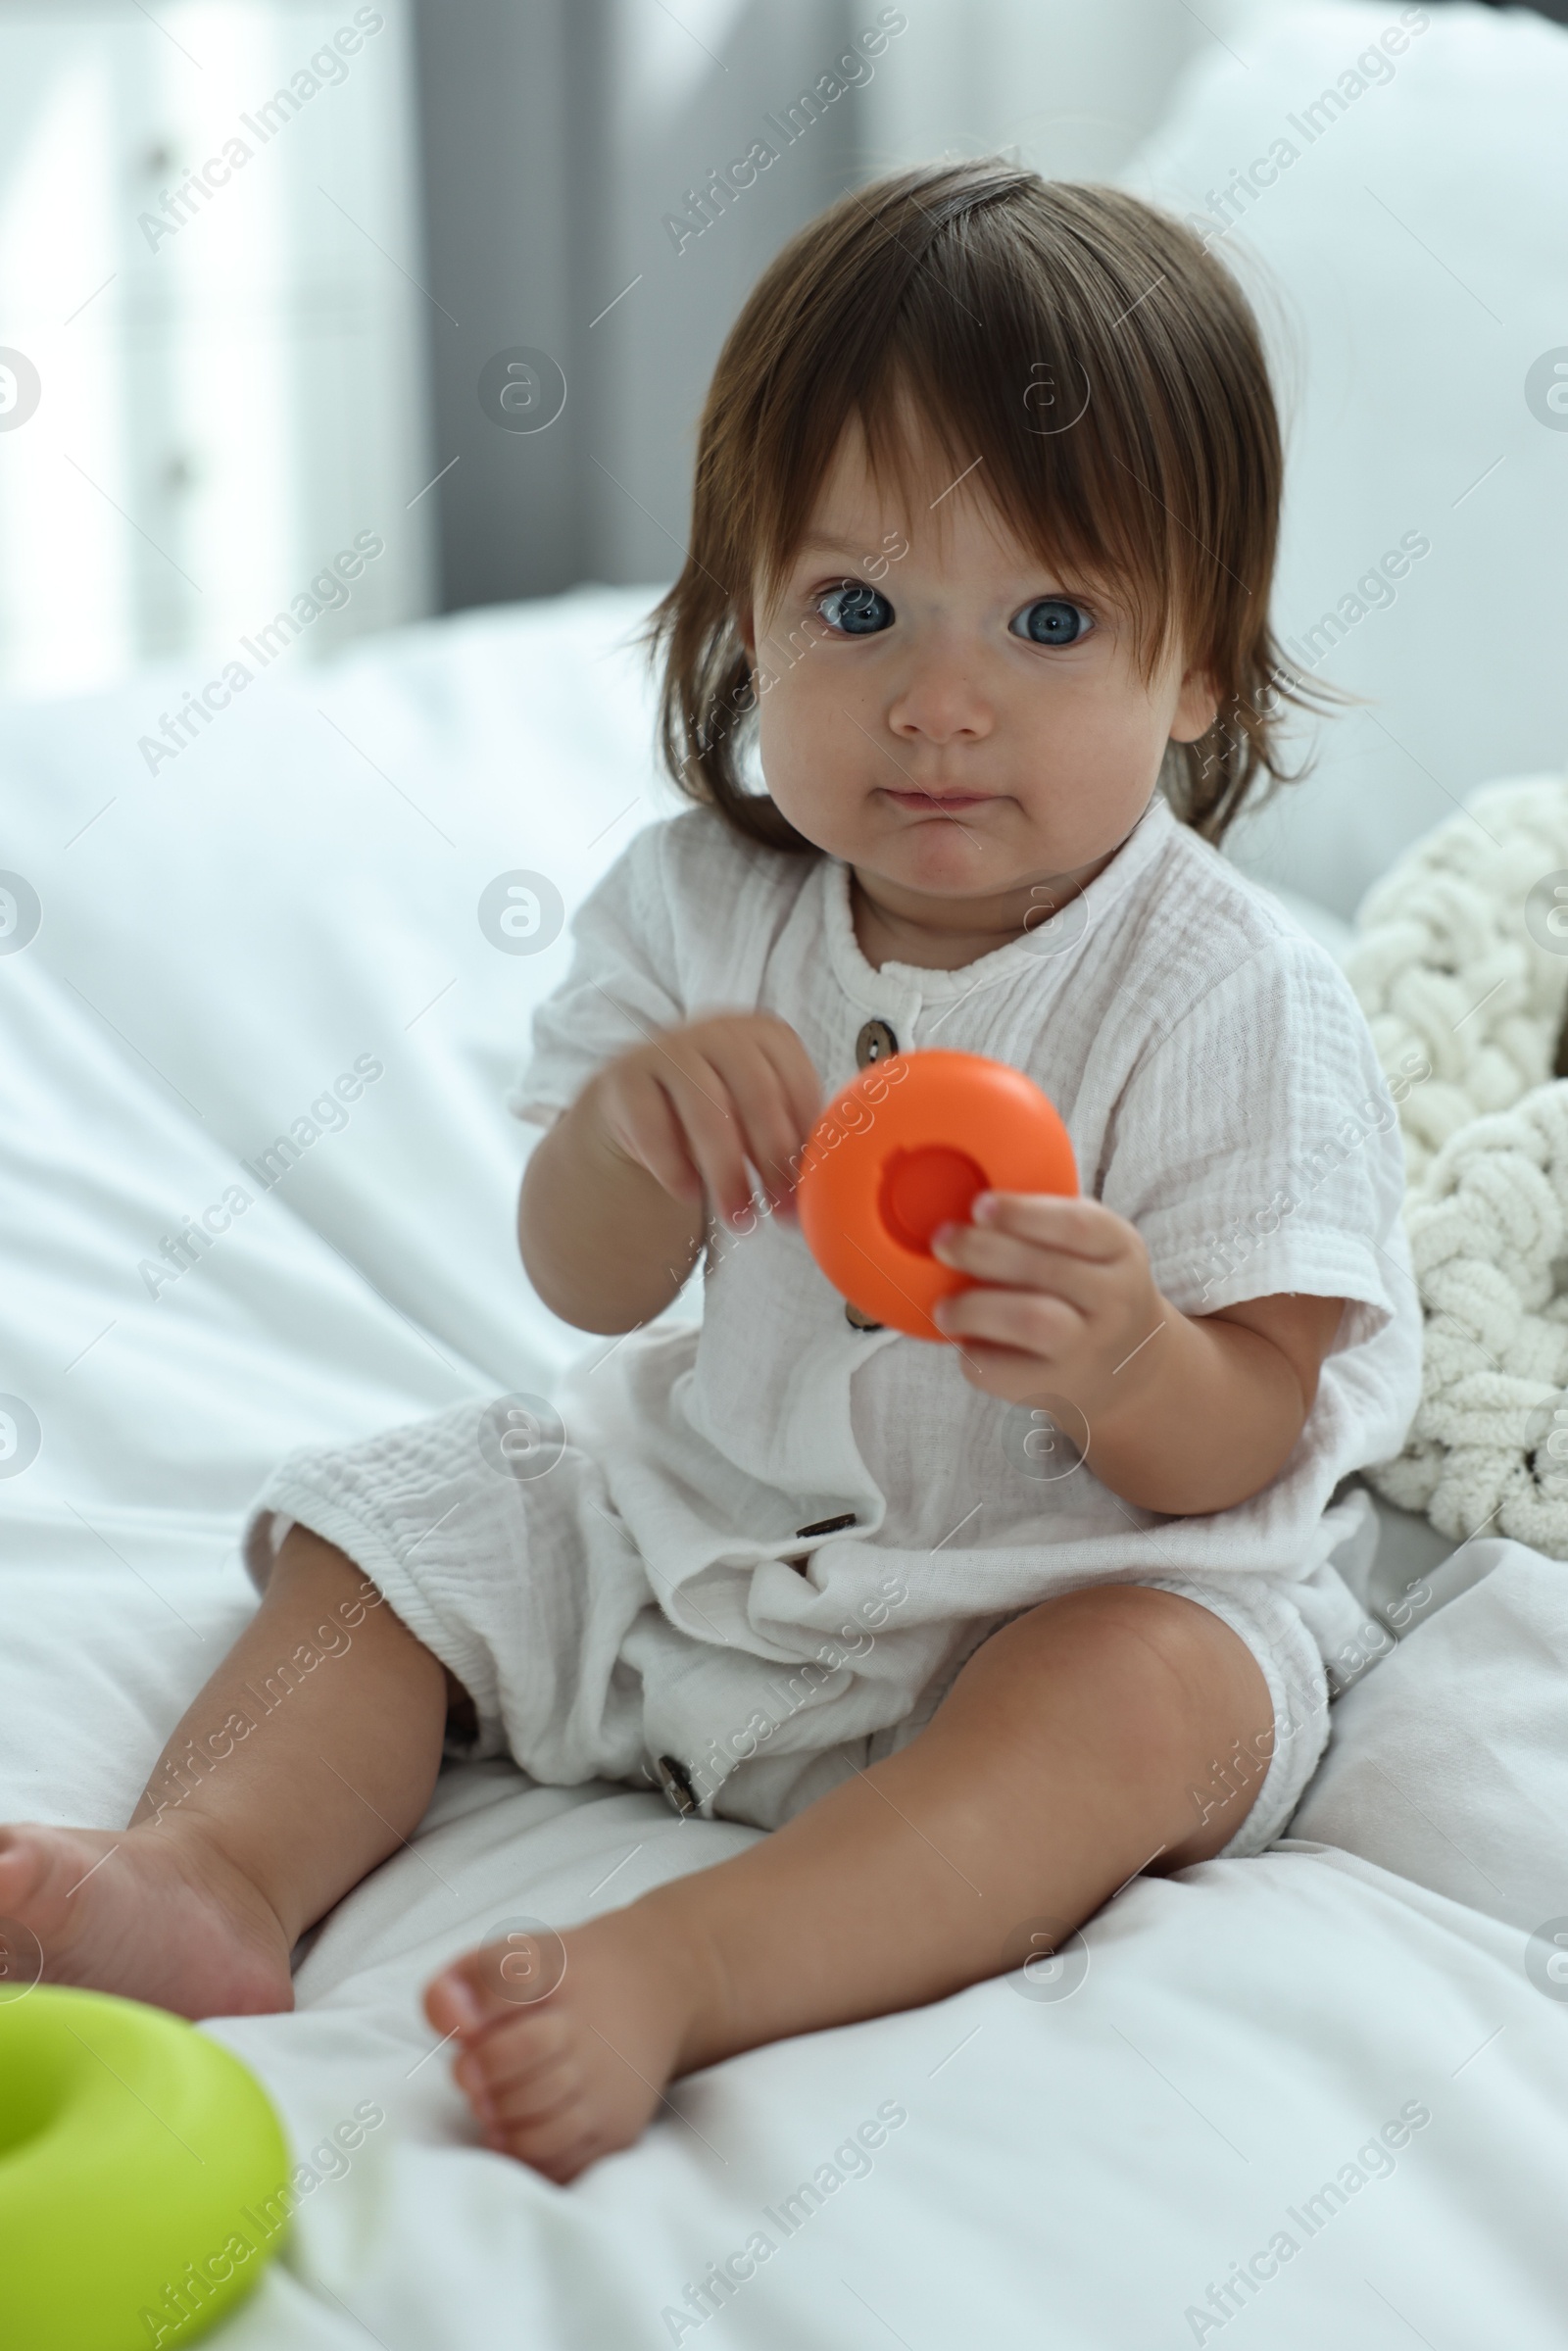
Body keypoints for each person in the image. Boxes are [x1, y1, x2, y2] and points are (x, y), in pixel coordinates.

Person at [0, 162, 1420, 2184]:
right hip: (700, 1536)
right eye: (854, 610)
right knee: (408, 1519)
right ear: (742, 618)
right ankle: (210, 1872)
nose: (938, 700)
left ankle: (687, 1963)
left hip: (1042, 1587)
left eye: (1047, 620)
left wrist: (1125, 1370)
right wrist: (625, 1135)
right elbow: (581, 1287)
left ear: (1198, 668)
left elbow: (1248, 1436)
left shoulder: (1224, 999)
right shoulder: (696, 910)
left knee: (1150, 1700)